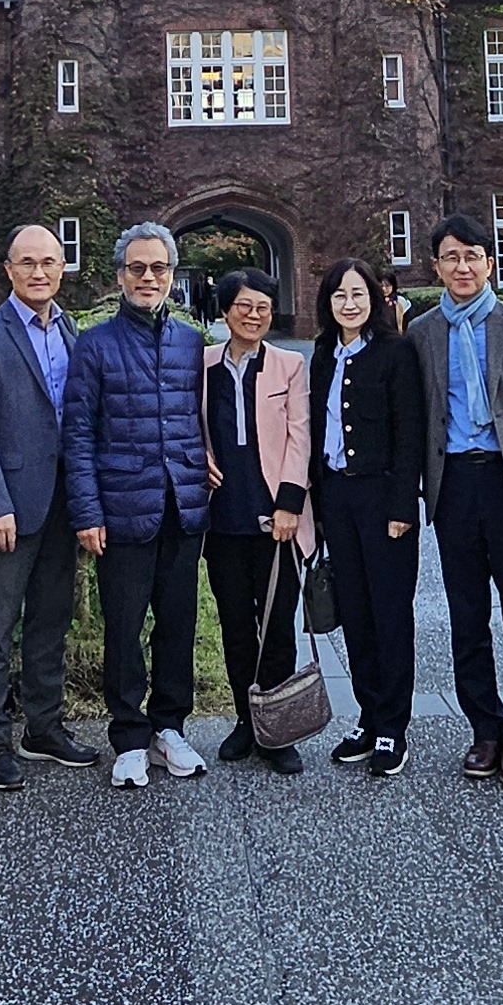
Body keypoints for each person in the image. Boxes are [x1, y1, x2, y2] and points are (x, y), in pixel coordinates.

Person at [408, 213, 503, 786]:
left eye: (472, 256)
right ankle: (485, 728)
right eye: (451, 257)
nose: (463, 266)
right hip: (454, 485)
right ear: (436, 267)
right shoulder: (422, 333)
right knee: (467, 615)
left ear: (490, 263)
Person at [62, 221, 210, 790]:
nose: (149, 277)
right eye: (137, 268)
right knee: (124, 628)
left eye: (159, 268)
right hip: (121, 507)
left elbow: (200, 416)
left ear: (172, 275)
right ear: (121, 275)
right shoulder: (95, 343)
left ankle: (169, 727)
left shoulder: (191, 342)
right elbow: (78, 433)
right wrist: (87, 512)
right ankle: (128, 735)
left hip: (183, 505)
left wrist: (205, 460)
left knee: (177, 623)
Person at [0, 223, 105, 789]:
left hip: (63, 501)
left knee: (51, 620)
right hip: (9, 508)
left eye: (48, 262)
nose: (38, 272)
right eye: (27, 263)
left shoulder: (69, 328)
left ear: (62, 268)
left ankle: (44, 727)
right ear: (9, 270)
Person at [304, 255, 426, 776]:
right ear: (328, 303)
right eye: (339, 295)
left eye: (358, 294)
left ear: (374, 299)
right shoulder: (323, 354)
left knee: (389, 614)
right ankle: (368, 716)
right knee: (354, 612)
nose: (349, 304)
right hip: (337, 497)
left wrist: (402, 505)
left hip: (383, 500)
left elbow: (410, 433)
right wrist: (316, 505)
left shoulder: (396, 352)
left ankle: (393, 726)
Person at [199, 269, 313, 773]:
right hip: (223, 515)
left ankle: (277, 730)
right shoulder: (203, 364)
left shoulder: (289, 364)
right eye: (244, 306)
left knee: (277, 626)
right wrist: (198, 458)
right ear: (225, 312)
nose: (254, 315)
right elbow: (188, 422)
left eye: (263, 307)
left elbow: (300, 437)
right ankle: (247, 720)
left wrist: (290, 504)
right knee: (236, 626)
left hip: (275, 518)